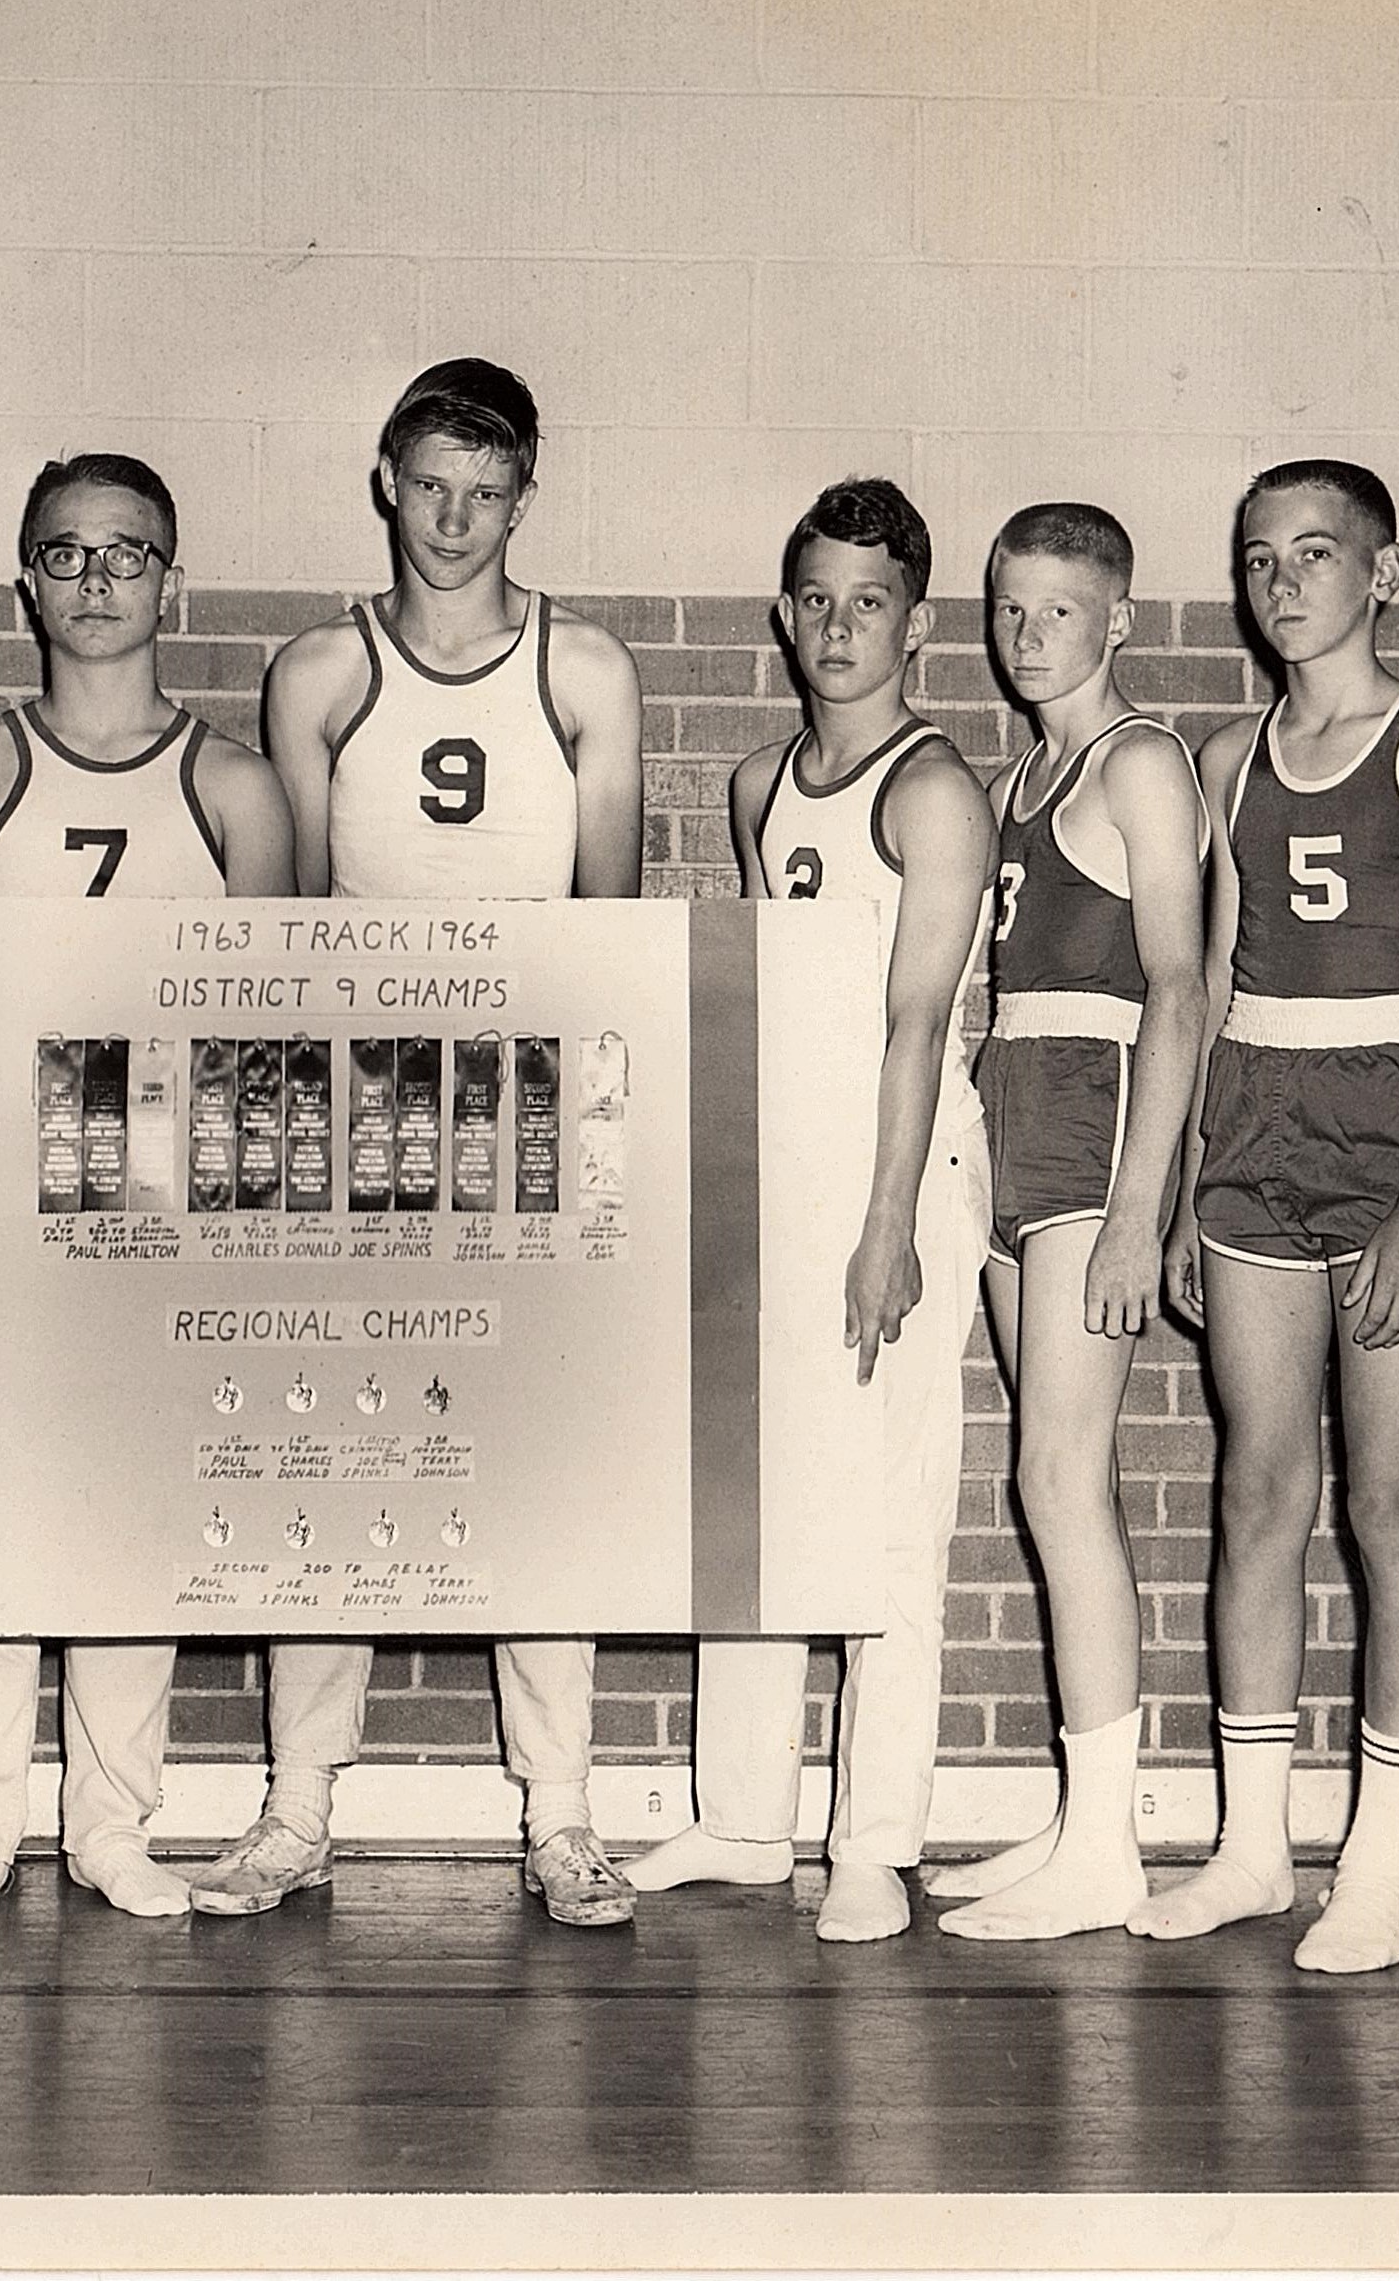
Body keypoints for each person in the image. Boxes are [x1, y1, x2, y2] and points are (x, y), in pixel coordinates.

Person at [194, 357, 645, 1925]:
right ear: (385, 479)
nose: (455, 522)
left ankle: (565, 1814)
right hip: (363, 1100)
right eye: (430, 488)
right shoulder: (320, 670)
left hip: (525, 1100)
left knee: (538, 1458)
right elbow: (295, 927)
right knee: (330, 1444)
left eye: (488, 494)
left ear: (525, 496)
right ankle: (296, 1808)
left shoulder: (584, 667)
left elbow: (611, 926)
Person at [0, 453, 294, 1928]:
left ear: (171, 580)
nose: (95, 583)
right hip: (3, 1195)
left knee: (134, 1507)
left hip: (169, 1207)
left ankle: (115, 1822)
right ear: (24, 582)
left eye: (126, 556)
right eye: (64, 556)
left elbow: (275, 1035)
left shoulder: (233, 785)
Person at [1133, 459, 1399, 1973]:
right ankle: (1247, 1846)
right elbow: (1215, 981)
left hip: (1389, 1133)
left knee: (1396, 1503)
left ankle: (1381, 1858)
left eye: (1312, 555)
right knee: (1255, 1496)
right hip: (1255, 1131)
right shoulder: (1227, 758)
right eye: (1256, 560)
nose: (1281, 584)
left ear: (1383, 569)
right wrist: (1176, 1188)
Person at [621, 477, 997, 1943]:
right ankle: (737, 1817)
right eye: (818, 600)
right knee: (755, 1493)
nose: (840, 628)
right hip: (776, 1183)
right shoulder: (752, 785)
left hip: (897, 1181)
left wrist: (886, 1222)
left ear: (914, 623)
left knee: (887, 1508)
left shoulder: (931, 792)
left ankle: (875, 1843)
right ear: (785, 616)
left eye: (871, 602)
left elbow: (916, 1025)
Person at [929, 503, 1208, 1942]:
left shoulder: (1140, 760)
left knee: (1060, 1477)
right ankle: (1073, 1811)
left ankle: (1108, 1846)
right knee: (1043, 1482)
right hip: (1010, 1110)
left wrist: (1136, 1210)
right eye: (1007, 607)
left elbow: (1182, 982)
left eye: (1056, 608)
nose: (1027, 633)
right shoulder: (1022, 772)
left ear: (1119, 618)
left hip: (1093, 1116)